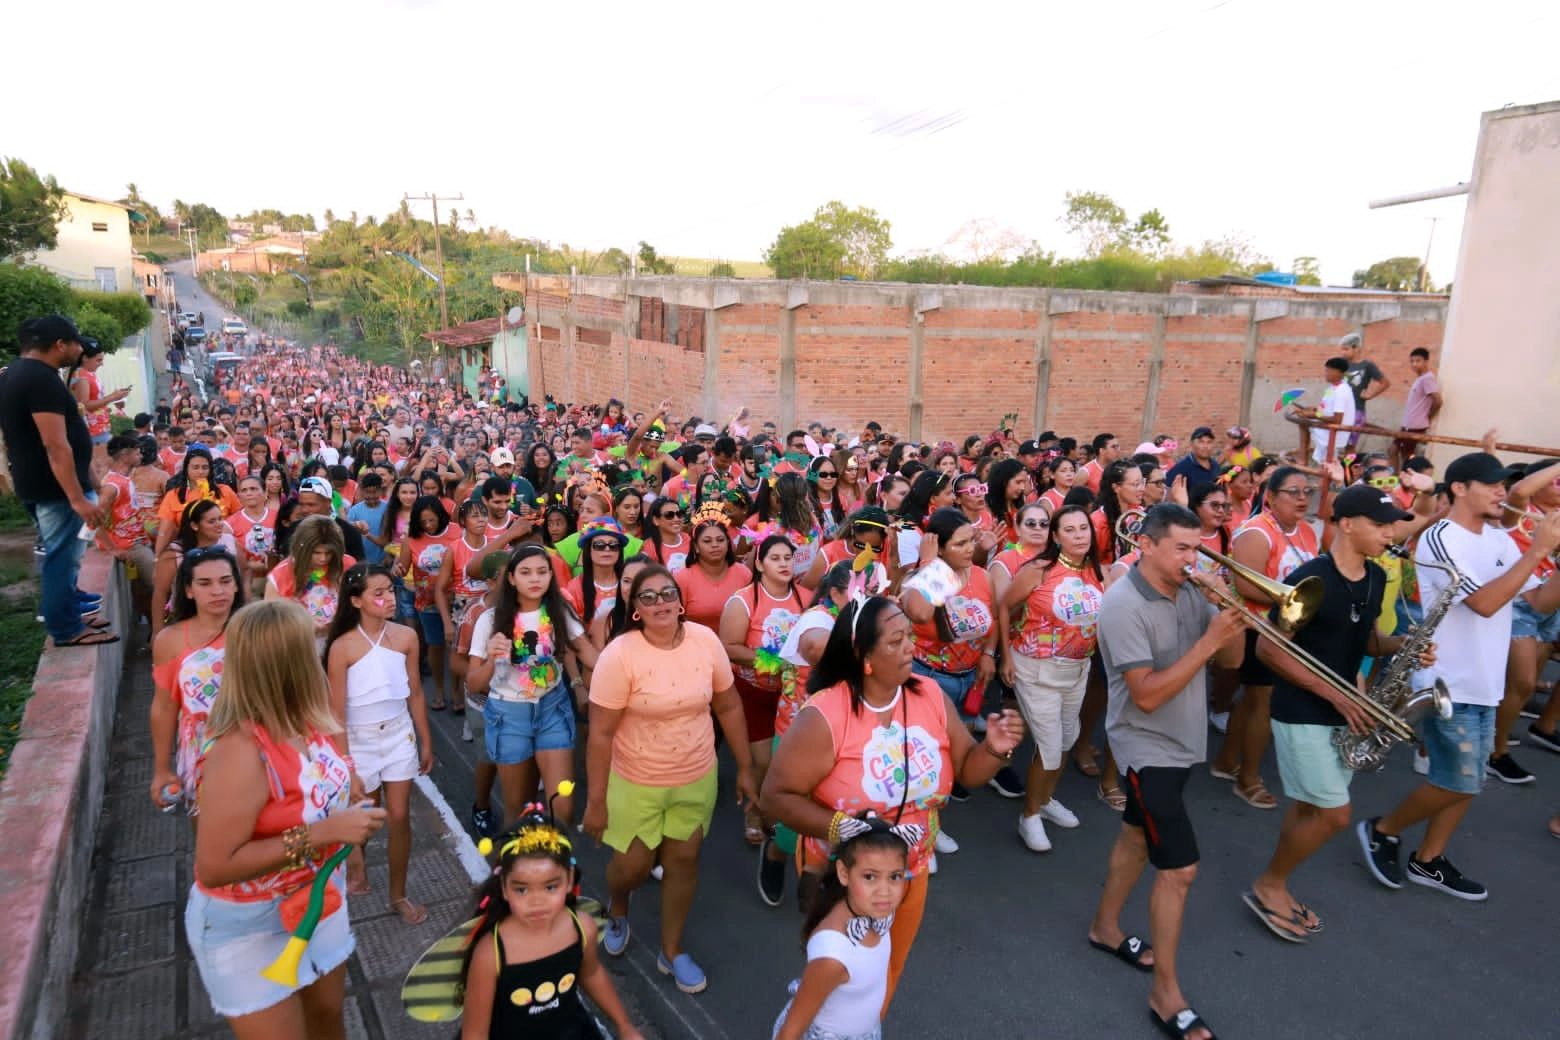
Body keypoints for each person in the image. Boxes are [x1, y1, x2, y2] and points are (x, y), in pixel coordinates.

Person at [760, 596, 1024, 1008]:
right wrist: (843, 828)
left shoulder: (930, 695)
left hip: (909, 869)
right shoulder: (825, 715)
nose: (911, 648)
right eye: (897, 640)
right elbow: (775, 796)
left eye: (909, 637)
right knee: (837, 980)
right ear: (863, 656)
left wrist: (993, 749)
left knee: (886, 971)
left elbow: (967, 774)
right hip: (841, 874)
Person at [1358, 453, 1560, 901]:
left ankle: (1428, 860)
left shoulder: (1501, 540)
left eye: (1504, 484)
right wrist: (1538, 551)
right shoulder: (1441, 537)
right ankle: (1383, 829)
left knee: (1468, 777)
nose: (1501, 492)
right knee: (1462, 779)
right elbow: (1484, 603)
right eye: (1491, 484)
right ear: (1459, 489)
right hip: (1447, 680)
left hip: (1485, 679)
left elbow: (1541, 602)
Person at [187, 600, 387, 1037]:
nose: (320, 653)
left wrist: (347, 844)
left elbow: (321, 791)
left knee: (328, 1021)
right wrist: (324, 833)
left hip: (317, 899)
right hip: (249, 925)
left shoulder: (305, 719)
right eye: (309, 647)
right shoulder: (239, 752)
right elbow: (215, 865)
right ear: (289, 662)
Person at [1087, 504, 1247, 1040]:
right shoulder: (1122, 605)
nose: (1192, 558)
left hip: (1184, 742)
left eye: (1197, 548)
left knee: (1136, 837)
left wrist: (1233, 612)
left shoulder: (1195, 590)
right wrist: (1209, 638)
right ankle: (1166, 994)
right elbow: (1148, 696)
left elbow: (1229, 664)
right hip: (1145, 746)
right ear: (1147, 545)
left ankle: (1105, 928)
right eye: (1181, 548)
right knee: (1179, 870)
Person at [1243, 486, 1420, 942]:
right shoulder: (1311, 580)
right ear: (1346, 524)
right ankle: (1269, 883)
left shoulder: (1378, 578)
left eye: (1390, 525)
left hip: (1346, 711)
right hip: (1302, 709)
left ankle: (1276, 882)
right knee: (1335, 814)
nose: (1389, 533)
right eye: (1380, 525)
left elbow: (1366, 641)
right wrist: (1338, 696)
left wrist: (1406, 645)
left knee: (1309, 806)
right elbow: (1269, 648)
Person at [584, 566, 757, 994]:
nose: (660, 602)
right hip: (635, 779)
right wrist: (597, 799)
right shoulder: (619, 654)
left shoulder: (705, 641)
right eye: (648, 597)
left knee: (682, 863)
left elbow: (729, 707)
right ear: (636, 610)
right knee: (633, 867)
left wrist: (746, 768)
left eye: (667, 594)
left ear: (681, 603)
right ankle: (619, 905)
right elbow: (600, 733)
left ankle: (672, 949)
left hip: (696, 776)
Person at [457, 810, 644, 1040]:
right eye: (521, 889)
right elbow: (475, 1034)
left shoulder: (582, 927)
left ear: (569, 879)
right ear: (504, 888)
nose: (537, 901)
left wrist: (624, 1025)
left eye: (550, 887)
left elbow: (592, 974)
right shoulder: (491, 952)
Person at [324, 564, 435, 924]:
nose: (388, 599)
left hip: (399, 734)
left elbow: (415, 690)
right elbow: (336, 711)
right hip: (358, 741)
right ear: (355, 601)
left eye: (390, 590)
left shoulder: (406, 636)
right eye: (378, 593)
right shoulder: (342, 647)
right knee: (367, 819)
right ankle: (354, 863)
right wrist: (346, 763)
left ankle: (398, 894)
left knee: (399, 816)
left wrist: (425, 740)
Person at [0, 316, 114, 647]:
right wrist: (78, 498)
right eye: (76, 343)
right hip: (56, 489)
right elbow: (55, 444)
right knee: (61, 558)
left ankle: (70, 611)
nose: (79, 349)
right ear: (59, 345)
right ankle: (66, 629)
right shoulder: (40, 380)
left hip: (40, 483)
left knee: (68, 555)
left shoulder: (15, 373)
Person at [1210, 465, 1318, 809]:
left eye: (1307, 492)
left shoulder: (1307, 532)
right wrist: (1295, 601)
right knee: (1263, 701)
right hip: (1258, 629)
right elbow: (1245, 584)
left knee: (1254, 701)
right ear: (1270, 497)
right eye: (1293, 492)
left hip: (1288, 630)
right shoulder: (1257, 531)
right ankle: (1248, 778)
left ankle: (1227, 761)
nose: (1302, 498)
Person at [468, 545, 598, 828]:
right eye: (525, 573)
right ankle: (514, 870)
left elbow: (588, 654)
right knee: (518, 811)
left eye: (542, 571)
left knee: (562, 808)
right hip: (508, 715)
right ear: (512, 579)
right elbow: (474, 682)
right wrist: (492, 658)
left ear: (552, 576)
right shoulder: (489, 620)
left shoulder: (559, 611)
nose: (535, 579)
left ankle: (559, 869)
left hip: (553, 709)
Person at [1002, 504, 1105, 852]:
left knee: (1066, 739)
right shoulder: (1039, 571)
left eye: (1084, 528)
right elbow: (1004, 606)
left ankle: (1045, 800)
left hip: (1078, 669)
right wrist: (1003, 654)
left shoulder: (1096, 570)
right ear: (1056, 537)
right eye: (1070, 530)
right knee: (1048, 746)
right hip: (1035, 669)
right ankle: (1028, 816)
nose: (1079, 535)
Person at [771, 817, 915, 1040]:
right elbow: (790, 1032)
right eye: (870, 877)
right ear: (844, 873)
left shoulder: (875, 910)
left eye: (895, 876)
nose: (885, 891)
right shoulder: (833, 956)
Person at [721, 534, 808, 853]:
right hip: (753, 692)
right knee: (763, 762)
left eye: (788, 558)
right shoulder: (743, 600)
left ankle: (779, 813)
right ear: (759, 563)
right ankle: (755, 814)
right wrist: (771, 661)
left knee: (789, 760)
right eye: (775, 558)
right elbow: (729, 647)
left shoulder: (805, 598)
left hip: (793, 694)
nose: (784, 564)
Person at [149, 548, 246, 813]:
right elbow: (164, 707)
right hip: (201, 753)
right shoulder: (170, 640)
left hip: (256, 747)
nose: (218, 591)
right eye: (205, 583)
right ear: (189, 590)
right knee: (211, 842)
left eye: (226, 581)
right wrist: (161, 769)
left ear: (237, 585)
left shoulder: (257, 630)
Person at [675, 503, 752, 630]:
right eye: (707, 541)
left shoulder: (744, 574)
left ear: (728, 543)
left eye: (720, 540)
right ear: (696, 547)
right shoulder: (682, 578)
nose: (715, 545)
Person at [1338, 332, 1390, 447]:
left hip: (1357, 411)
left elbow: (1385, 383)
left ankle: (1349, 465)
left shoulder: (1367, 366)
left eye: (1346, 349)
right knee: (1336, 443)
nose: (1343, 353)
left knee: (1350, 446)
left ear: (1356, 348)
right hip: (1340, 410)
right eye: (1341, 349)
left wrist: (1370, 395)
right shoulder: (1342, 364)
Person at [1393, 347, 1441, 469]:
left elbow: (1438, 401)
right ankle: (1401, 479)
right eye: (1412, 361)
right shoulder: (1421, 379)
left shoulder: (1427, 379)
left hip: (1415, 426)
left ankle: (1404, 480)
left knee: (1404, 454)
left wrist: (1428, 418)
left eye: (1418, 361)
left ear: (1426, 361)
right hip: (1408, 424)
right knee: (1399, 453)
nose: (1414, 364)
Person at [1165, 427, 1218, 494]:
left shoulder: (1215, 465)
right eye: (1201, 442)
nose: (1205, 446)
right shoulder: (1181, 468)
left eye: (1209, 442)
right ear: (1191, 444)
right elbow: (1167, 492)